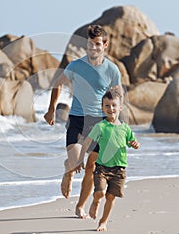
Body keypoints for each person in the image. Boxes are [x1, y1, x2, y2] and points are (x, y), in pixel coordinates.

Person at [44, 24, 122, 218]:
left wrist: (115, 121)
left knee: (91, 167)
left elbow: (117, 96)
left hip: (100, 121)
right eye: (90, 43)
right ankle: (68, 170)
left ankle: (80, 206)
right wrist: (51, 109)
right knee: (75, 161)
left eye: (97, 44)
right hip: (77, 119)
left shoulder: (112, 70)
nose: (93, 48)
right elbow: (58, 84)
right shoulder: (76, 66)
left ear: (105, 45)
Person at [78, 89, 140, 231]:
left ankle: (103, 222)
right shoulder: (100, 126)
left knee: (111, 197)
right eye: (107, 106)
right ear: (102, 108)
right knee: (100, 192)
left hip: (119, 169)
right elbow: (87, 142)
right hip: (102, 167)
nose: (110, 108)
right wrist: (81, 158)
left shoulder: (125, 128)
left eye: (113, 105)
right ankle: (95, 200)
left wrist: (135, 144)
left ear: (120, 107)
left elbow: (132, 142)